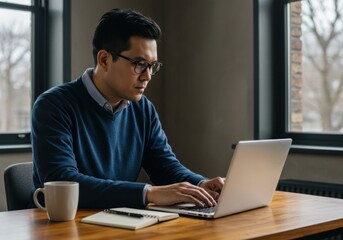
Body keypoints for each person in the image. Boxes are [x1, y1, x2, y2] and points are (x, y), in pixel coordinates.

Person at [30, 8, 224, 209]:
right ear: (104, 60)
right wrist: (148, 193)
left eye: (152, 66)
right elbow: (63, 183)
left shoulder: (143, 109)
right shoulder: (53, 105)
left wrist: (201, 184)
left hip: (119, 223)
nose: (147, 76)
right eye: (139, 64)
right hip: (61, 229)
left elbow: (164, 166)